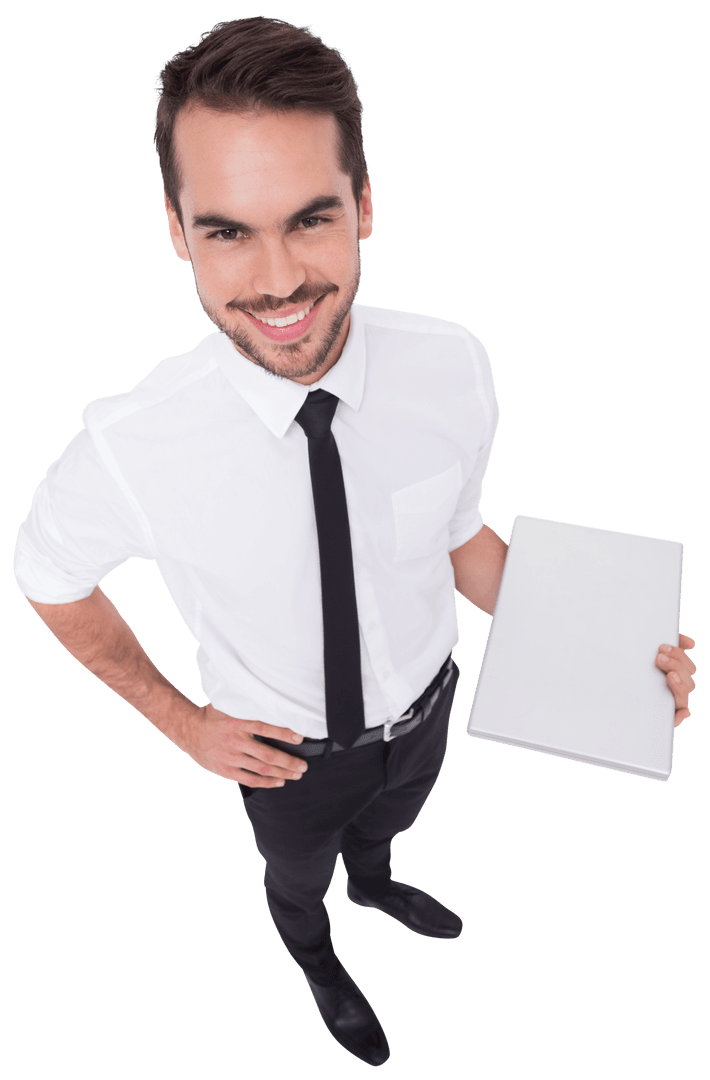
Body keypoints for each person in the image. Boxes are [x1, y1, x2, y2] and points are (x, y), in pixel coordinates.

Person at [13, 16, 697, 1068]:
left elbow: (460, 539)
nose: (278, 280)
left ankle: (375, 882)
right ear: (175, 228)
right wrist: (177, 720)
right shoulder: (129, 445)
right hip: (281, 758)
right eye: (227, 230)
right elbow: (47, 580)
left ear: (365, 204)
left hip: (429, 708)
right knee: (294, 879)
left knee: (386, 831)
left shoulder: (451, 366)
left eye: (310, 219)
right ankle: (318, 960)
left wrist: (612, 657)